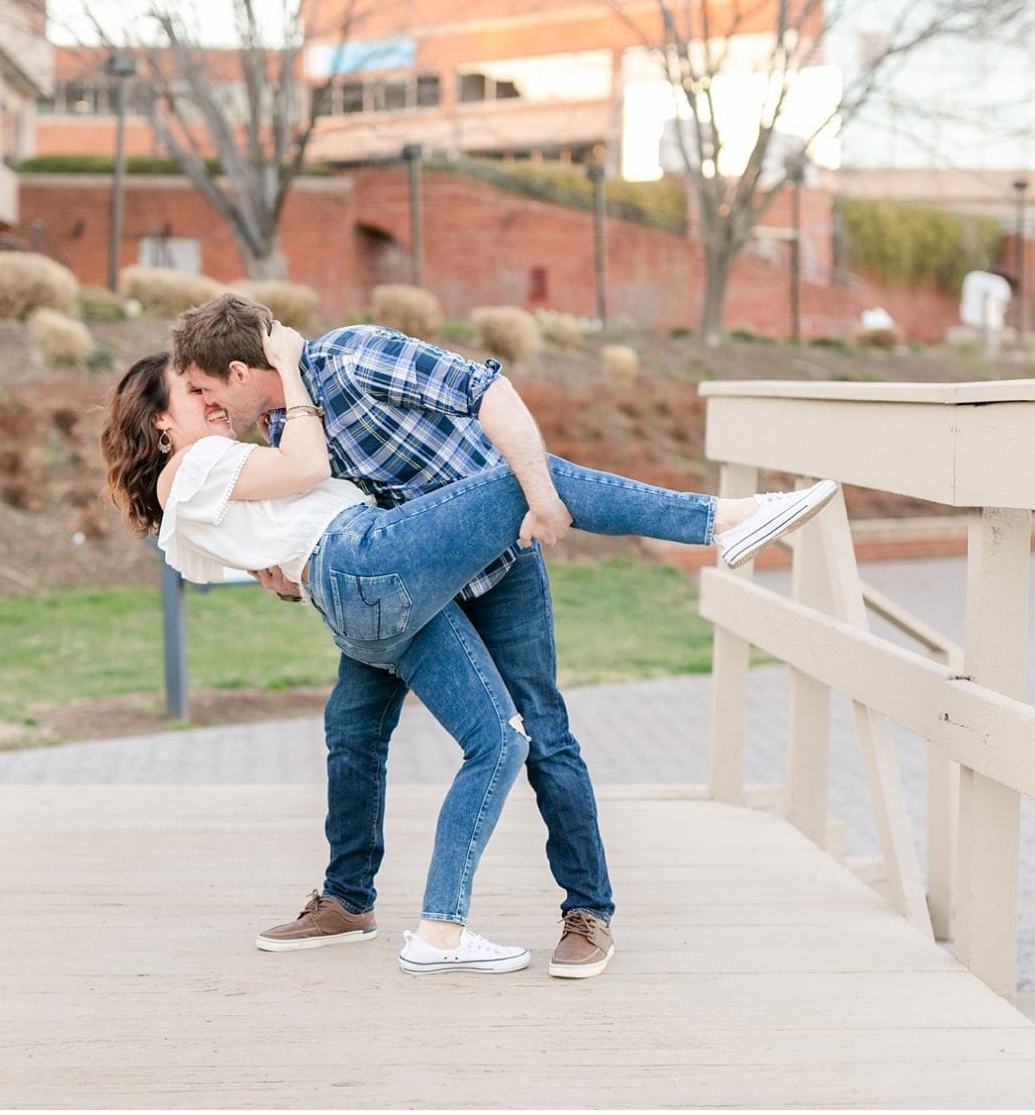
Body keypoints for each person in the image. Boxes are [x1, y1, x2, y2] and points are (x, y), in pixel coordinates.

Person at [101, 301, 837, 976]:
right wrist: (536, 493)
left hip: (469, 567)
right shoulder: (257, 433)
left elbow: (488, 393)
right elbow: (303, 484)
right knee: (379, 725)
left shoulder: (348, 363)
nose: (208, 404)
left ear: (234, 373)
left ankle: (568, 913)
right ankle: (724, 521)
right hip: (383, 568)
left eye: (205, 388)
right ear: (165, 422)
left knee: (515, 735)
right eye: (192, 396)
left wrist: (540, 500)